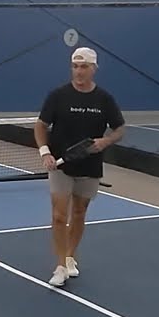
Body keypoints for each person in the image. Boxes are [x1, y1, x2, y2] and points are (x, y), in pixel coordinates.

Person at [33, 46, 126, 287]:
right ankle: (60, 266)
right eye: (75, 66)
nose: (79, 71)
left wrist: (105, 141)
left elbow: (120, 129)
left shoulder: (105, 99)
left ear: (94, 68)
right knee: (58, 215)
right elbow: (40, 126)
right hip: (60, 166)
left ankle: (70, 257)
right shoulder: (58, 96)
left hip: (90, 166)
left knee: (79, 213)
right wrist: (45, 152)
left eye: (84, 66)